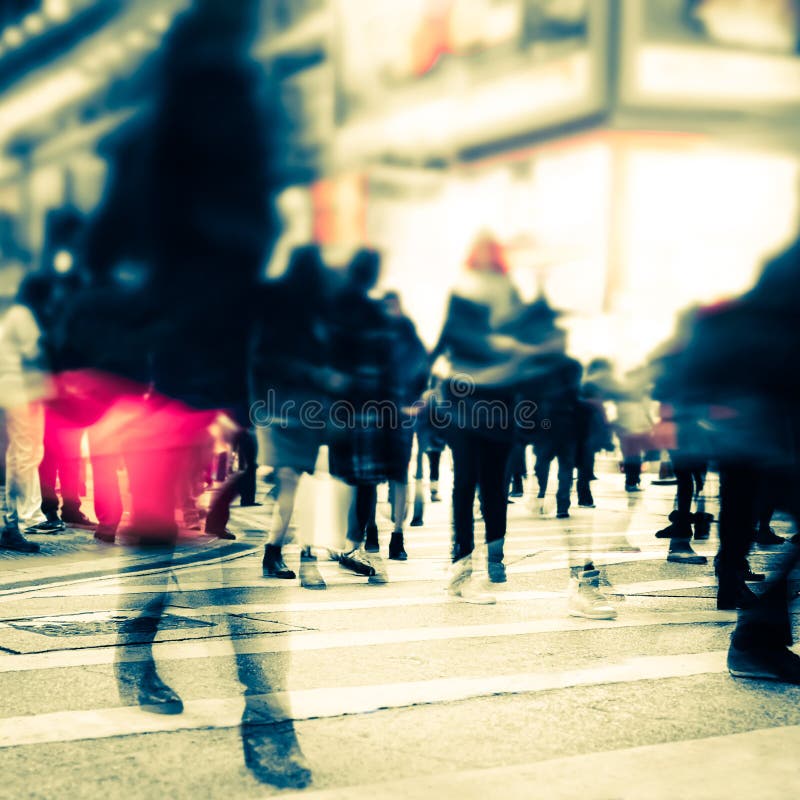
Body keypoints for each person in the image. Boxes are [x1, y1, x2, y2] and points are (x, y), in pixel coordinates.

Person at [657, 231, 800, 681]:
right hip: (764, 425)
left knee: (737, 508)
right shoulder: (776, 300)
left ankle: (742, 604)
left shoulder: (739, 309)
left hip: (749, 426)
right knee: (735, 506)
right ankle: (753, 634)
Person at [434, 232, 547, 603]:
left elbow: (531, 342)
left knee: (492, 483)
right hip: (466, 400)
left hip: (498, 401)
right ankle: (462, 567)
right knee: (467, 481)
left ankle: (494, 556)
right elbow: (454, 340)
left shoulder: (509, 293)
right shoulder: (463, 295)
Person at [254, 244, 337, 588]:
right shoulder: (301, 313)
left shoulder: (293, 309)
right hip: (290, 410)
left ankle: (279, 550)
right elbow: (268, 361)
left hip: (298, 410)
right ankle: (280, 550)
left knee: (296, 482)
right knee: (295, 481)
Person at [0, 273, 53, 552]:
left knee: (17, 457)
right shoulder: (23, 315)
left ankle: (12, 523)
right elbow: (36, 354)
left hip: (14, 392)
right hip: (23, 393)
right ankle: (12, 525)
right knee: (26, 456)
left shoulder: (13, 316)